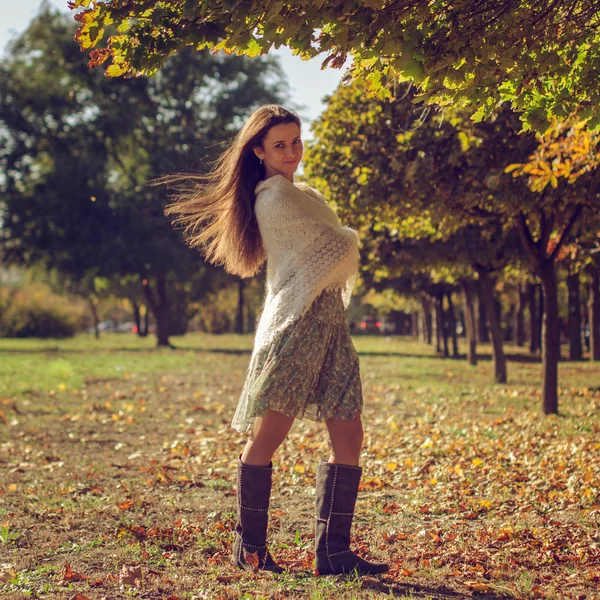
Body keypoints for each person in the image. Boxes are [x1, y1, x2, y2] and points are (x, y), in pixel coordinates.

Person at [161, 104, 388, 577]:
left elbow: (336, 248)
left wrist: (341, 236)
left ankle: (334, 552)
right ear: (260, 151)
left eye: (296, 141)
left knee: (350, 434)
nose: (291, 152)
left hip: (329, 323)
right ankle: (249, 550)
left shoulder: (303, 193)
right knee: (269, 436)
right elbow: (340, 248)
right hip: (297, 327)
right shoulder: (277, 200)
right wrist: (346, 236)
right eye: (280, 144)